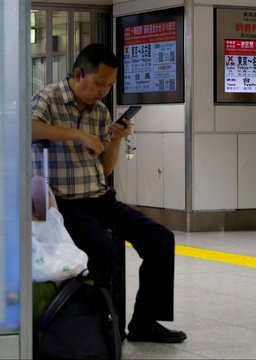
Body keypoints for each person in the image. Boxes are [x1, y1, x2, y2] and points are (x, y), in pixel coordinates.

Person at [31, 43, 187, 343]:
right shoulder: (49, 98)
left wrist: (114, 141)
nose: (104, 91)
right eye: (100, 83)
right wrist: (77, 134)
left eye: (110, 85)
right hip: (63, 203)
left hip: (100, 198)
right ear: (79, 74)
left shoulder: (100, 111)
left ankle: (143, 322)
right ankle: (98, 325)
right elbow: (29, 128)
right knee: (103, 249)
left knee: (161, 239)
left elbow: (105, 169)